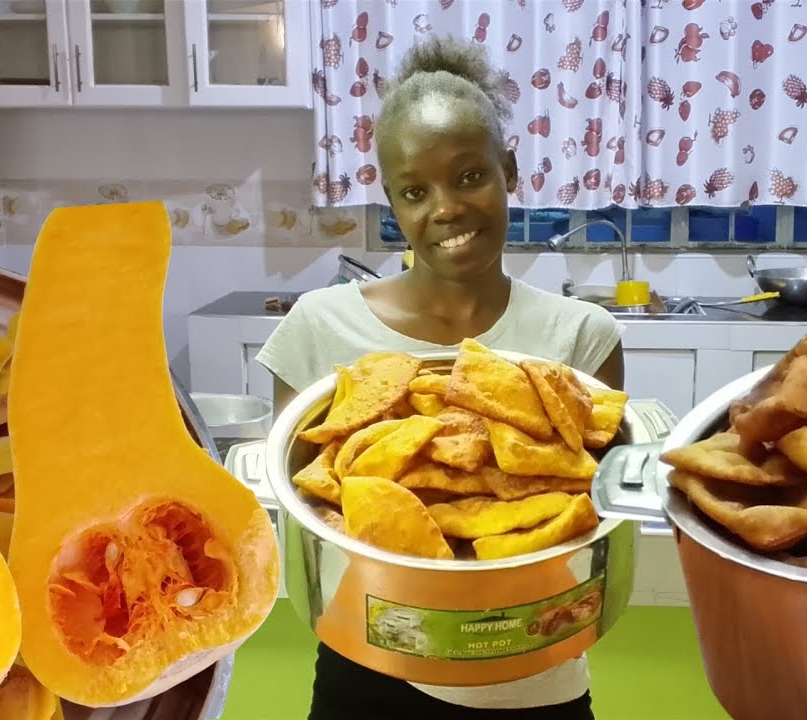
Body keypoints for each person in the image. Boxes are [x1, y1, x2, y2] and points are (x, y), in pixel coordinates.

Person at [257, 35, 623, 720]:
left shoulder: (580, 336)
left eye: (468, 176)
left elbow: (596, 510)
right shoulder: (318, 328)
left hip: (534, 668)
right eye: (414, 191)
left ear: (507, 169)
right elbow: (309, 510)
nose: (445, 208)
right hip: (367, 659)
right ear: (392, 202)